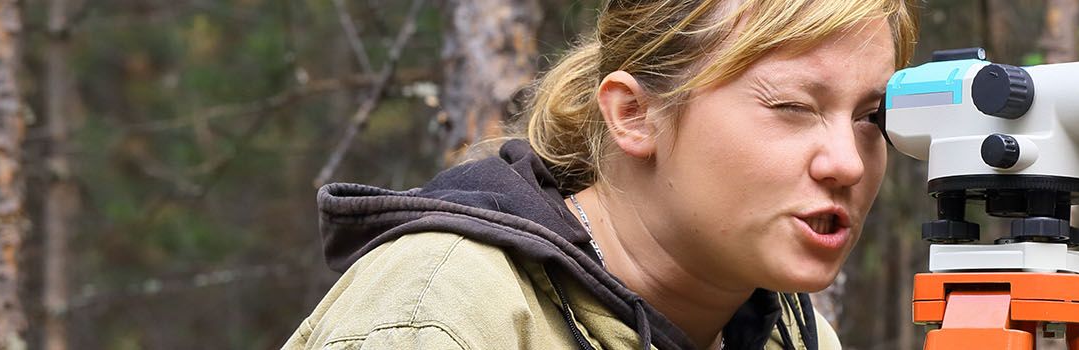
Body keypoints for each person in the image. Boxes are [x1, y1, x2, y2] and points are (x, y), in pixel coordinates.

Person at [281, 0, 916, 349]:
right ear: (635, 115)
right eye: (792, 108)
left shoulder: (794, 336)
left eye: (871, 116)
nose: (848, 163)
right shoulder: (442, 318)